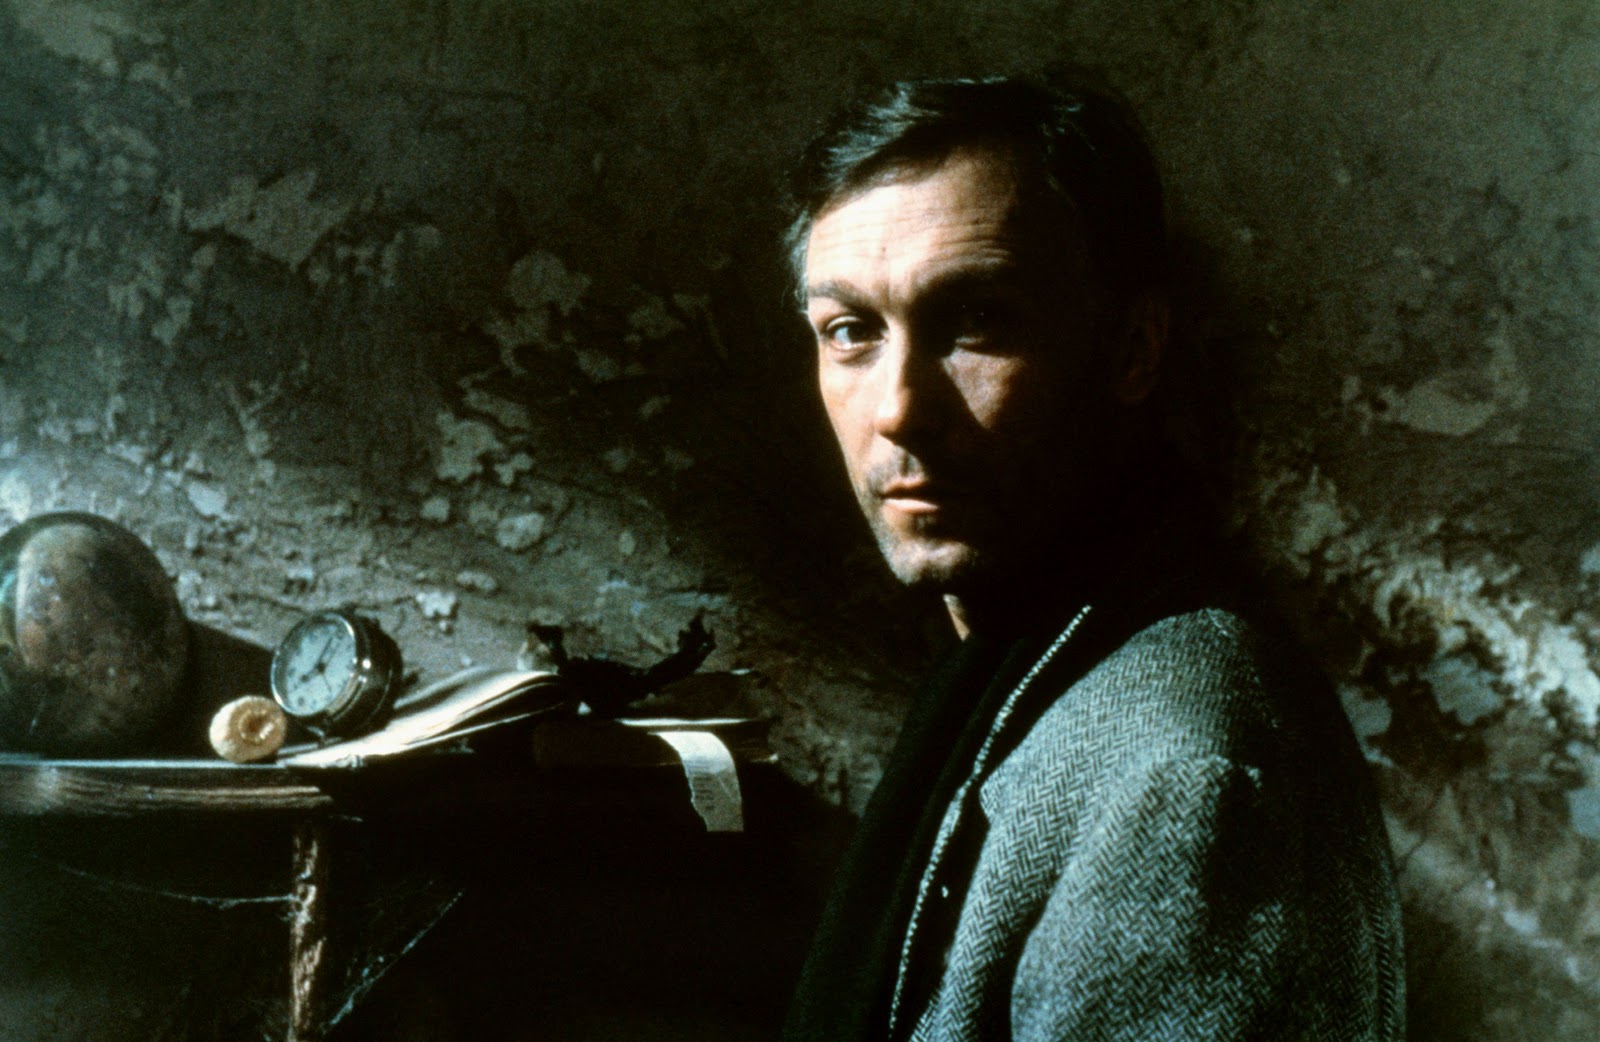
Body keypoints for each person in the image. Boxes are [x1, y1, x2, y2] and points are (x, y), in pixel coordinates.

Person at [781, 74, 1405, 1042]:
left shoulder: (1186, 768)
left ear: (1132, 350)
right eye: (851, 331)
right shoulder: (1033, 669)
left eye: (976, 322)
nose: (899, 409)